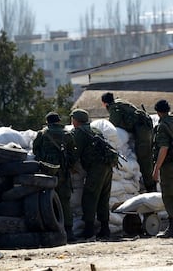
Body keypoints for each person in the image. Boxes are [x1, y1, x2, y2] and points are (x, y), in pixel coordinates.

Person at [33, 112, 77, 242]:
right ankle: (69, 232)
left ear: (48, 122)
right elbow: (73, 155)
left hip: (47, 171)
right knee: (64, 200)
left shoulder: (42, 134)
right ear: (58, 121)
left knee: (47, 200)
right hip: (63, 172)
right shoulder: (67, 135)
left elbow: (35, 150)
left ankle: (52, 231)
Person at [70, 108, 113, 239]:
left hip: (96, 168)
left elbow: (74, 153)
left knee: (90, 196)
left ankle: (89, 229)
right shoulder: (96, 130)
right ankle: (105, 229)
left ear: (76, 121)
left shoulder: (79, 132)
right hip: (108, 166)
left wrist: (69, 165)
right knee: (103, 198)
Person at [101, 92, 155, 192]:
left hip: (142, 131)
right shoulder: (119, 103)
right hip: (143, 129)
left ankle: (151, 186)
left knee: (144, 158)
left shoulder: (114, 108)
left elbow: (113, 126)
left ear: (104, 103)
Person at [152, 99, 173, 238]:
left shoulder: (163, 126)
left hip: (168, 165)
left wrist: (156, 168)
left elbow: (163, 148)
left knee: (170, 195)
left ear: (158, 112)